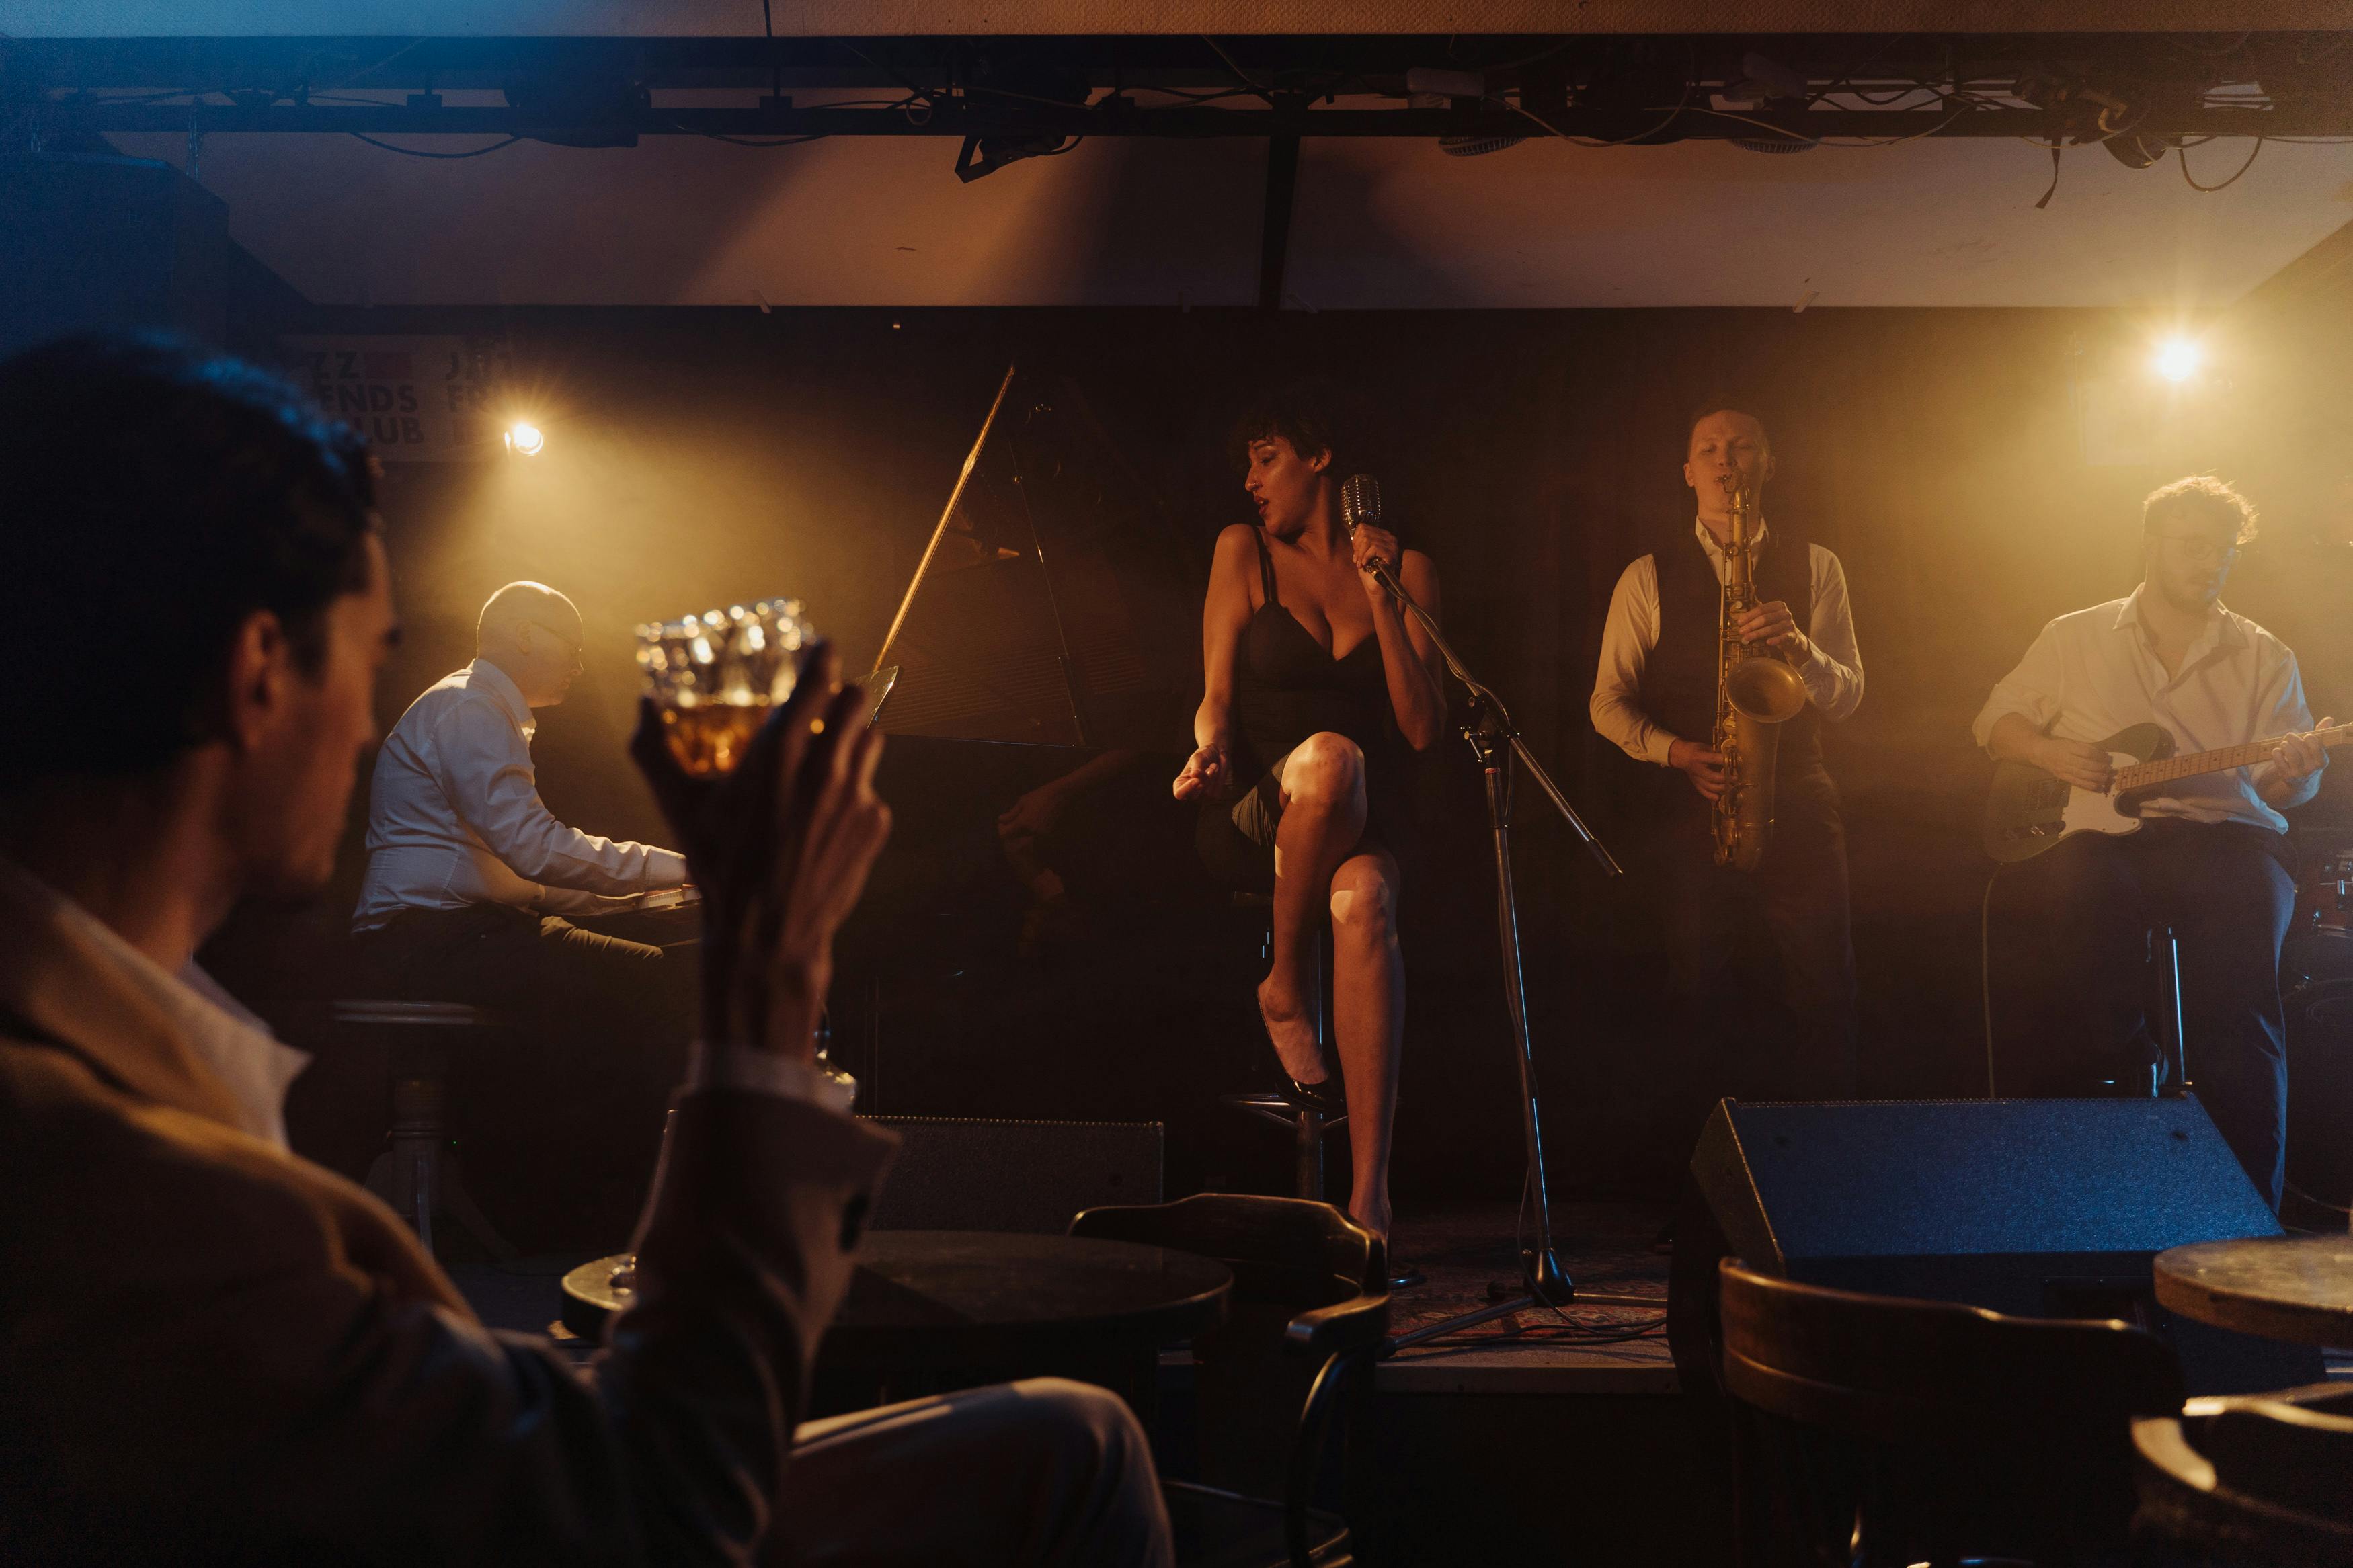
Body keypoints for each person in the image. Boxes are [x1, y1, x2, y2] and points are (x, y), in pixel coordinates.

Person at [0, 333, 1171, 1566]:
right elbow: (649, 1514)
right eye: (369, 649)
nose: (366, 729)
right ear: (256, 675)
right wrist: (765, 985)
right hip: (599, 1469)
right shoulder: (114, 1182)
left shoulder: (109, 1081)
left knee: (1068, 1433)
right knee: (1077, 1446)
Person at [1976, 474, 2330, 1208]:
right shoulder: (2074, 633)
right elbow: (1995, 721)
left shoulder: (2264, 653)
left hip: (2225, 836)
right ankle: (2088, 1155)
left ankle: (2241, 1217)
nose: (2210, 562)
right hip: (2097, 837)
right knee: (2067, 909)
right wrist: (2048, 753)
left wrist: (2296, 773)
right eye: (2193, 546)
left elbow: (2274, 786)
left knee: (2240, 999)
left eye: (2224, 550)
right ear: (2150, 544)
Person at [1174, 380, 1447, 1241]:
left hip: (1365, 814)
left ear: (1319, 457)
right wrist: (1208, 750)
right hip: (1264, 809)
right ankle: (1284, 983)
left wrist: (1380, 593)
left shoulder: (1407, 570)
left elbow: (1421, 726)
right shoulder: (1241, 550)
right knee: (1328, 756)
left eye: (1266, 459)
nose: (1250, 481)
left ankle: (1369, 1201)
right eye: (1247, 465)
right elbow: (1215, 698)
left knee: (1365, 901)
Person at [1589, 400, 1865, 1163]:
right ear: (1687, 472)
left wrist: (1799, 645)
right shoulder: (1646, 574)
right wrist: (1675, 751)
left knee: (1825, 991)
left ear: (1766, 464)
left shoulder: (1817, 565)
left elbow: (1847, 696)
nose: (1724, 459)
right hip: (1696, 801)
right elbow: (1606, 702)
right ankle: (1701, 1178)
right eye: (1708, 448)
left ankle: (1828, 1172)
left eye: (1740, 446)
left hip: (1799, 795)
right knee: (1696, 992)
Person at [352, 580, 692, 1016]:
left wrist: (657, 891)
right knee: (660, 983)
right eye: (573, 647)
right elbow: (533, 850)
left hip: (445, 931)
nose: (579, 666)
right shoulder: (470, 706)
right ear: (526, 634)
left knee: (655, 972)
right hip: (425, 937)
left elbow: (529, 882)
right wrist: (686, 869)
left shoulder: (474, 704)